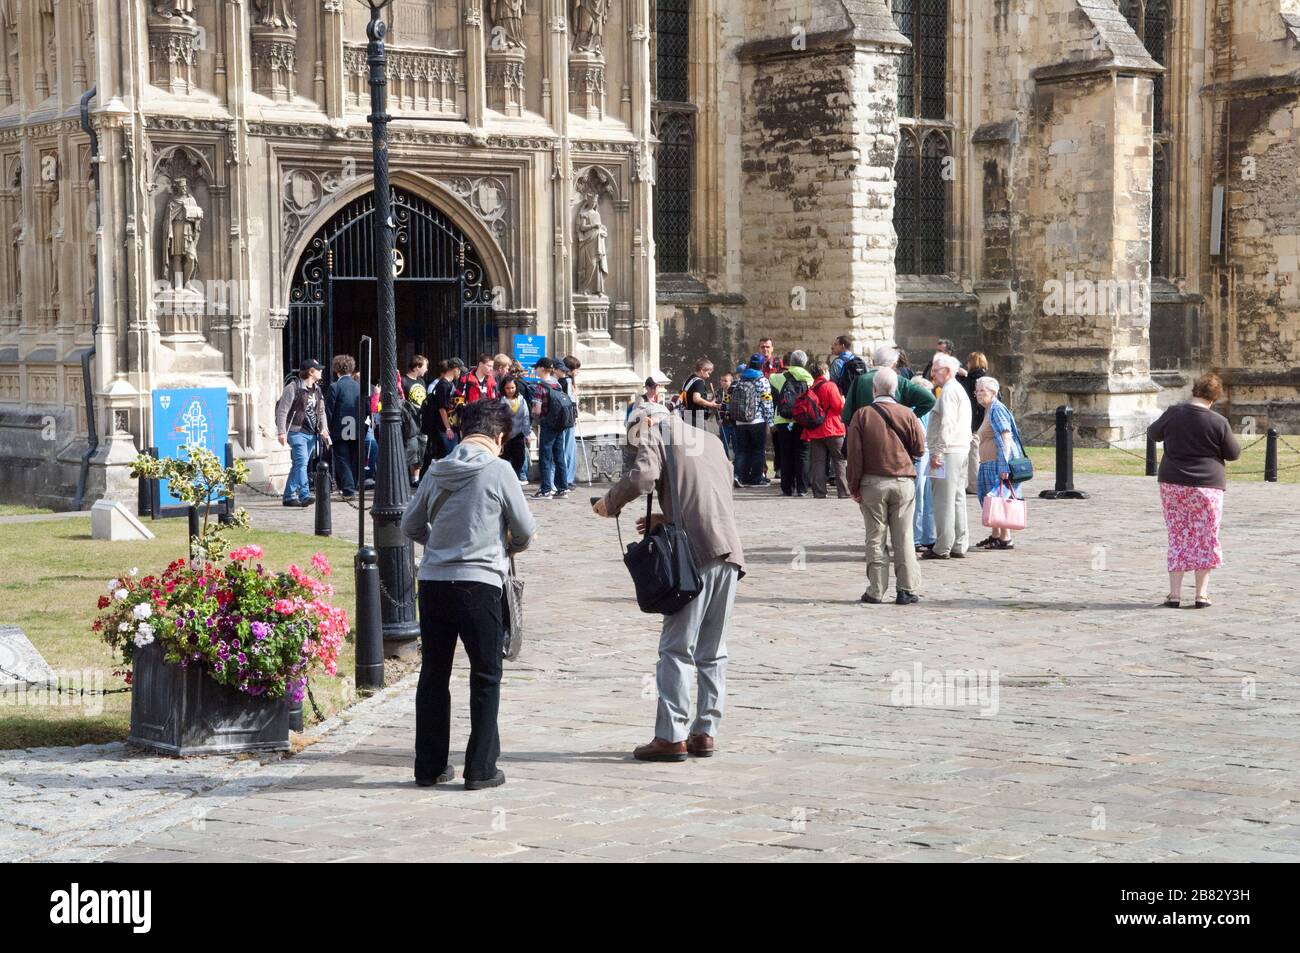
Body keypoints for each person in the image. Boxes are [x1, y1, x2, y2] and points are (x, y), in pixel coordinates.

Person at [592, 403, 746, 761]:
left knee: (676, 649)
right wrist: (671, 516)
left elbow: (643, 478)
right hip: (729, 550)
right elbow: (710, 493)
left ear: (643, 421)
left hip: (693, 557)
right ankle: (705, 731)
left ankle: (671, 736)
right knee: (713, 651)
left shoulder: (655, 431)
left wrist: (610, 503)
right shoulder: (709, 439)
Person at [401, 400, 537, 791]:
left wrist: (438, 545)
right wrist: (499, 545)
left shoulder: (436, 469)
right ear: (498, 436)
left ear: (462, 433)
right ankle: (479, 769)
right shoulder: (500, 470)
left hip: (434, 584)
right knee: (485, 674)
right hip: (479, 585)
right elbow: (525, 530)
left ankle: (429, 767)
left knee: (433, 676)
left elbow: (411, 524)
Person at [1148, 373, 1241, 609]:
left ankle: (1175, 594)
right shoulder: (1218, 422)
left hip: (1173, 482)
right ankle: (1201, 594)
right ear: (1214, 397)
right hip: (1207, 484)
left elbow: (1153, 433)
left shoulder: (1173, 413)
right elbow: (1233, 453)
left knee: (1178, 535)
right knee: (1206, 536)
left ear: (1194, 390)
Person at [846, 367, 926, 604]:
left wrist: (853, 485)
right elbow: (919, 448)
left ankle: (876, 589)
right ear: (896, 390)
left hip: (873, 481)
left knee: (875, 536)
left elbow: (855, 454)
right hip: (902, 481)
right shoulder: (907, 414)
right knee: (903, 536)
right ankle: (907, 589)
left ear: (874, 389)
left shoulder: (862, 415)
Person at [923, 352, 973, 560]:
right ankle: (959, 543)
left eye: (936, 370)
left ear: (948, 371)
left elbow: (948, 423)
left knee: (944, 500)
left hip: (950, 450)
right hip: (959, 448)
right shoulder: (955, 389)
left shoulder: (950, 391)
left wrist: (938, 451)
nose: (933, 374)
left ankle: (943, 545)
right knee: (957, 498)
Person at [972, 377, 1022, 551]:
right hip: (988, 462)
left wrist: (1004, 465)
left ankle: (1005, 538)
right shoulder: (989, 409)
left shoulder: (997, 409)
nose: (978, 394)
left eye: (982, 391)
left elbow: (1006, 436)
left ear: (993, 392)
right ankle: (996, 535)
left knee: (999, 499)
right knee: (990, 500)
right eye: (977, 391)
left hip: (997, 462)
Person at [275, 358, 331, 507]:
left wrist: (324, 429)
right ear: (311, 372)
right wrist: (281, 432)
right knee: (301, 463)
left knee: (300, 464)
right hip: (296, 431)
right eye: (318, 369)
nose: (321, 371)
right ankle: (304, 494)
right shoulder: (292, 388)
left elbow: (321, 411)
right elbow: (282, 410)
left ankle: (288, 496)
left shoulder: (317, 390)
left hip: (311, 432)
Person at [841, 345, 936, 425]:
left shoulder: (859, 381)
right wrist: (908, 418)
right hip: (895, 438)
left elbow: (846, 416)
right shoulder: (901, 381)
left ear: (873, 362)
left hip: (865, 438)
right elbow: (929, 400)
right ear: (894, 364)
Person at [800, 360, 849, 498]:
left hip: (815, 429)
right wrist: (843, 401)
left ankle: (819, 491)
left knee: (818, 462)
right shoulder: (830, 386)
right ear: (824, 371)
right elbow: (839, 407)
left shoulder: (811, 387)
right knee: (839, 459)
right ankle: (843, 491)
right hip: (832, 427)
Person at [770, 350, 814, 496]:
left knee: (786, 454)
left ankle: (787, 488)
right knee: (803, 454)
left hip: (783, 420)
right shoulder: (810, 379)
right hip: (802, 419)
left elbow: (770, 378)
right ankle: (802, 488)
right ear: (805, 362)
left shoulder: (780, 377)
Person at [530, 357, 572, 499]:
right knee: (559, 456)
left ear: (542, 369)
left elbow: (537, 410)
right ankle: (562, 488)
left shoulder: (540, 387)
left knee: (545, 457)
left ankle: (546, 489)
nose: (535, 370)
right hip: (559, 424)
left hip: (547, 425)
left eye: (536, 368)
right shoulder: (557, 385)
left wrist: (535, 418)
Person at [729, 355, 773, 487]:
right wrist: (770, 422)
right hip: (756, 421)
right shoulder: (762, 381)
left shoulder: (739, 380)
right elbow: (767, 402)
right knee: (757, 450)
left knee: (742, 451)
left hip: (740, 421)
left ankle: (739, 476)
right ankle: (755, 478)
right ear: (761, 365)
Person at [325, 354, 359, 500]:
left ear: (336, 369)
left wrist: (326, 429)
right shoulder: (359, 386)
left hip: (340, 428)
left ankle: (348, 490)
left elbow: (329, 411)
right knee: (353, 459)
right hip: (355, 427)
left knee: (342, 459)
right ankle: (352, 486)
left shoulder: (335, 386)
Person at [422, 358, 465, 469]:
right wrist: (448, 428)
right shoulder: (443, 385)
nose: (460, 373)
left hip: (449, 425)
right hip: (443, 427)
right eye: (459, 370)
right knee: (448, 456)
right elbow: (442, 408)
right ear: (455, 369)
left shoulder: (449, 384)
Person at [911, 377, 937, 553]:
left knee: (926, 496)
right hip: (923, 453)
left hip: (928, 453)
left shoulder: (928, 409)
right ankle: (919, 536)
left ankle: (926, 535)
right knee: (921, 496)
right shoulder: (915, 410)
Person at [961, 352, 990, 494]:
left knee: (973, 454)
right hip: (985, 420)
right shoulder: (987, 380)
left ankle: (974, 484)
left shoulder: (970, 380)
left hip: (974, 421)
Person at [401, 355, 430, 486]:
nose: (426, 369)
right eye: (425, 366)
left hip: (422, 421)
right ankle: (406, 479)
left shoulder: (422, 382)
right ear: (417, 367)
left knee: (420, 451)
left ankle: (415, 480)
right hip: (410, 423)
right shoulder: (404, 381)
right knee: (411, 450)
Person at [500, 376, 531, 484]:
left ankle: (516, 478)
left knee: (519, 458)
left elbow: (526, 417)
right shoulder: (501, 401)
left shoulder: (521, 400)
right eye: (508, 388)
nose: (510, 390)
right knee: (505, 458)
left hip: (519, 434)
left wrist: (527, 434)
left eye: (512, 387)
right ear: (503, 388)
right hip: (505, 435)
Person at [679, 358, 720, 431]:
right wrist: (711, 404)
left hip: (686, 413)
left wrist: (708, 401)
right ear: (702, 370)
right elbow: (696, 399)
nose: (708, 376)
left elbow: (691, 397)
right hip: (696, 415)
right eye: (708, 373)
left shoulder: (690, 379)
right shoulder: (699, 382)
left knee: (690, 440)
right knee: (700, 440)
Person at [560, 356, 582, 486]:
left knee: (569, 448)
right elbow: (570, 400)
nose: (577, 372)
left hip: (568, 418)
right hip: (568, 419)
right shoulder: (567, 381)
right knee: (568, 448)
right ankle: (567, 478)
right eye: (576, 369)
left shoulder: (567, 381)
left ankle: (568, 477)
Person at [717, 370, 736, 461]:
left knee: (737, 447)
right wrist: (718, 419)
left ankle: (737, 470)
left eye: (725, 380)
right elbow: (716, 408)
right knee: (723, 446)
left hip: (734, 422)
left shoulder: (735, 391)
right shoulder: (719, 393)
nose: (723, 382)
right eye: (721, 380)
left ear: (731, 382)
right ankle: (724, 464)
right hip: (724, 423)